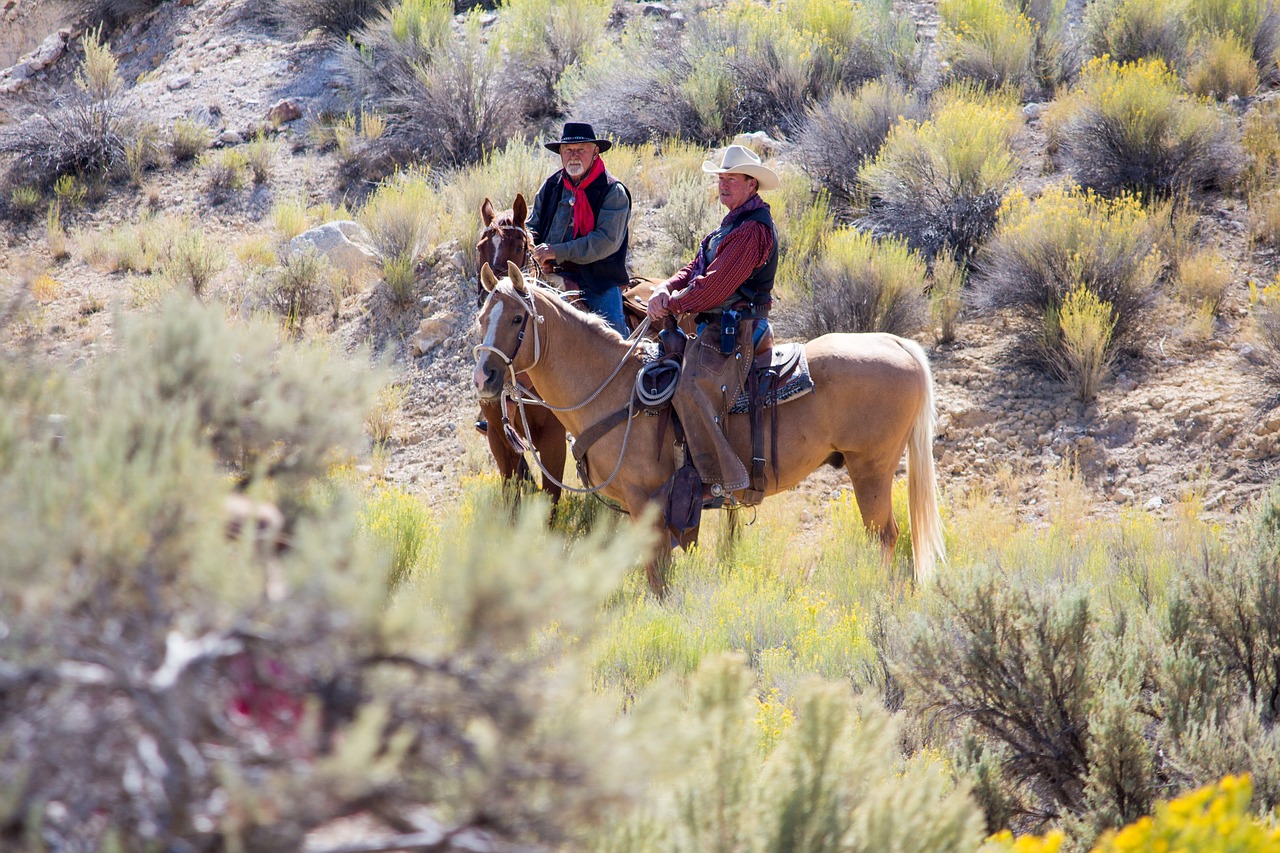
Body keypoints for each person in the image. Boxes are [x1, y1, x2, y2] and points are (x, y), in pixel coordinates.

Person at [646, 144, 780, 505]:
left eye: (731, 179)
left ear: (751, 185)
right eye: (720, 178)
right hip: (717, 324)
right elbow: (694, 269)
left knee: (688, 388)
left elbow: (715, 286)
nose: (723, 185)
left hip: (737, 329)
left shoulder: (751, 230)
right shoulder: (730, 225)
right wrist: (665, 287)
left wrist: (672, 304)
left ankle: (723, 479)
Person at [526, 121, 633, 337]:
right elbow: (532, 226)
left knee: (613, 339)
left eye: (581, 149)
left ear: (595, 153)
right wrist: (535, 255)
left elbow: (604, 242)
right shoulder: (551, 186)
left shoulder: (613, 191)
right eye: (568, 150)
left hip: (596, 282)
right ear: (561, 154)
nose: (573, 155)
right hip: (548, 275)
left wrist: (556, 252)